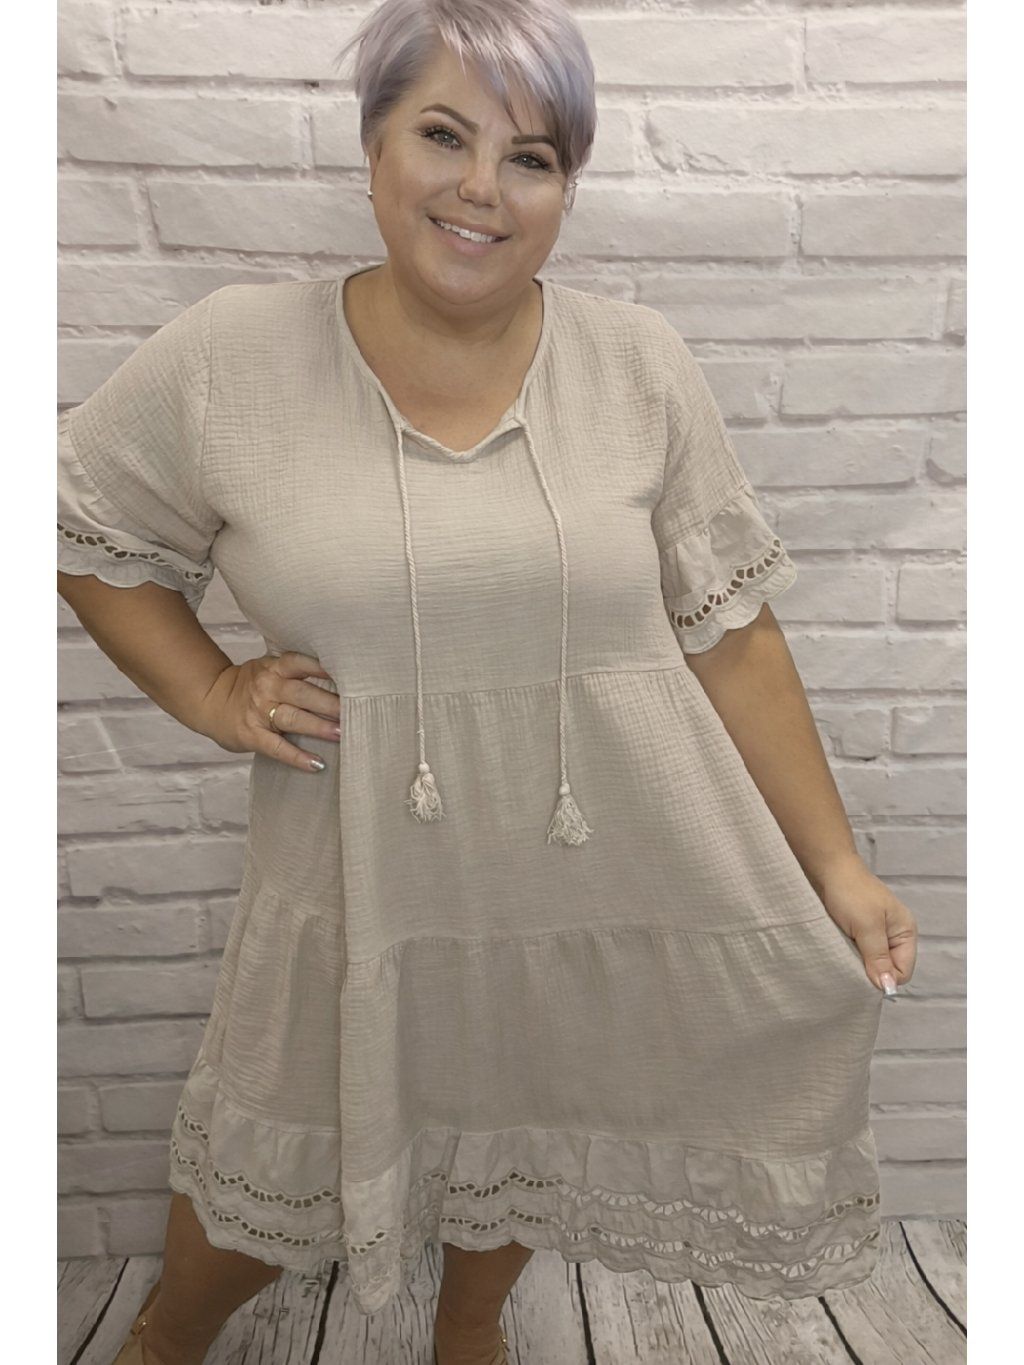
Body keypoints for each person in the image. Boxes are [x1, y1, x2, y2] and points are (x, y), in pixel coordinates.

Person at [57, 2, 919, 1362]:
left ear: (567, 188)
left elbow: (730, 633)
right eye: (444, 136)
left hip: (572, 871)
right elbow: (82, 526)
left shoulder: (636, 365)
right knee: (270, 1144)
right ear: (374, 148)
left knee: (518, 1122)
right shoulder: (233, 356)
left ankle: (472, 1333)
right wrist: (213, 691)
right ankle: (165, 1338)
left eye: (531, 157)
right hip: (353, 874)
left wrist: (839, 868)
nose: (482, 187)